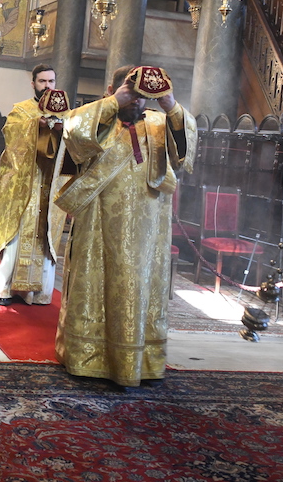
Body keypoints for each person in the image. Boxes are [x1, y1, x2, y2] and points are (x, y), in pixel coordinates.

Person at [54, 65, 195, 387]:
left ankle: (141, 360)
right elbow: (73, 132)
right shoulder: (99, 119)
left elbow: (184, 156)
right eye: (131, 94)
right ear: (112, 91)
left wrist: (170, 104)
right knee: (95, 284)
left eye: (142, 96)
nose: (137, 101)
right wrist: (116, 101)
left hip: (149, 230)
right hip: (98, 227)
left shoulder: (159, 124)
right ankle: (87, 356)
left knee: (141, 287)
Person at [0, 64, 66, 306]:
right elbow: (11, 139)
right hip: (25, 184)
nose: (47, 86)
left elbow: (74, 145)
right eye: (42, 81)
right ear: (33, 84)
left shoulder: (66, 112)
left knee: (45, 235)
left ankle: (40, 291)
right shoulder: (21, 110)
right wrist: (36, 125)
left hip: (50, 184)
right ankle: (7, 289)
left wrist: (63, 130)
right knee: (19, 235)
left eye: (51, 81)